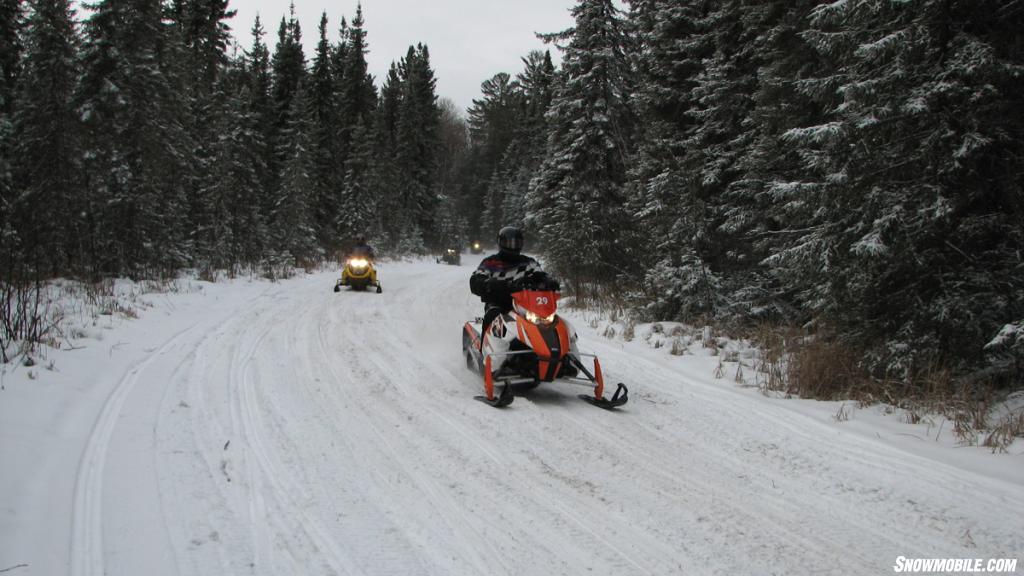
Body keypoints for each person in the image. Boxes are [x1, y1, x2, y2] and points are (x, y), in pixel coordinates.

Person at [470, 226, 555, 343]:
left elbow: (539, 274)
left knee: (552, 321)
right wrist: (486, 283)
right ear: (500, 243)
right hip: (499, 304)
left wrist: (548, 282)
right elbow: (477, 278)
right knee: (493, 317)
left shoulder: (528, 262)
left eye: (516, 243)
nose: (513, 246)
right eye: (509, 243)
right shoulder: (490, 263)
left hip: (526, 307)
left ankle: (559, 350)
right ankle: (485, 354)